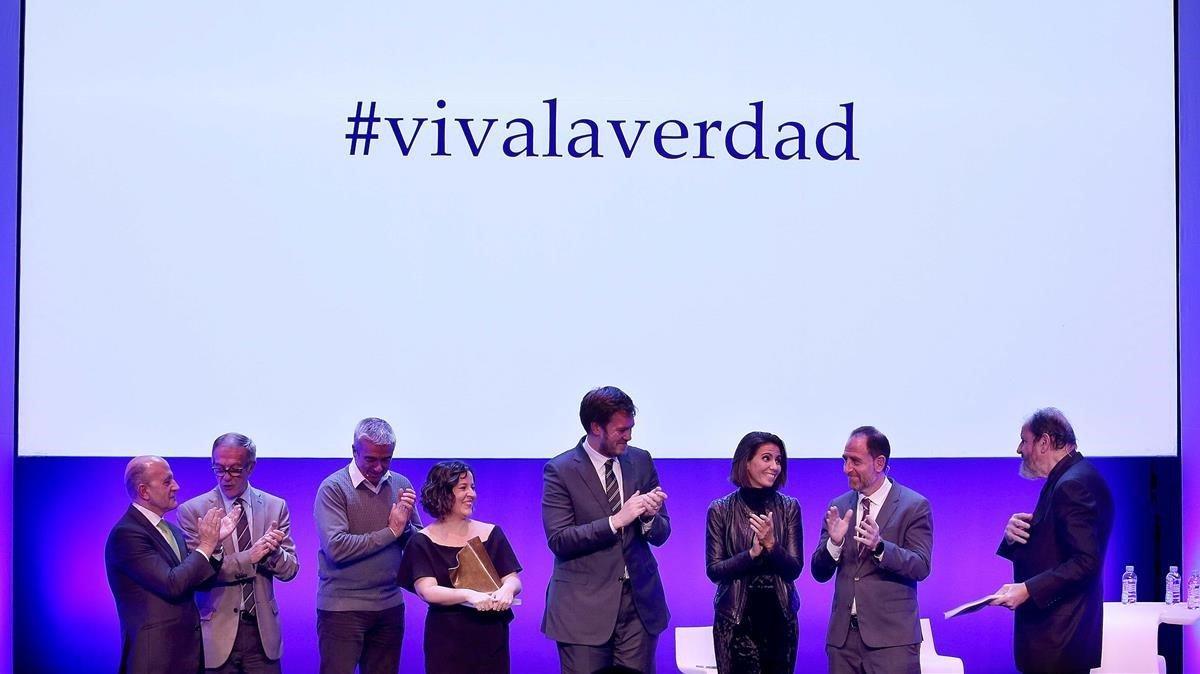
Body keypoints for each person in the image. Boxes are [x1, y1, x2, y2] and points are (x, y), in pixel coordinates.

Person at [541, 386, 671, 673]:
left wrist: (649, 518)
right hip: (583, 611)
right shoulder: (560, 470)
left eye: (631, 428)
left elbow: (662, 532)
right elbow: (560, 539)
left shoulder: (640, 460)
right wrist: (616, 521)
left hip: (639, 607)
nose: (629, 436)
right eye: (621, 430)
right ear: (596, 427)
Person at [992, 408, 1114, 674]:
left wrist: (1028, 589)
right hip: (1058, 637)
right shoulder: (1068, 478)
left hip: (1060, 637)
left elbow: (1085, 562)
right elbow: (1053, 548)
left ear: (1044, 442)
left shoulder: (1073, 484)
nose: (1018, 449)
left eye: (1024, 440)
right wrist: (1013, 537)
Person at [810, 426, 933, 674]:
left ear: (879, 463)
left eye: (855, 461)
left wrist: (880, 547)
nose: (846, 469)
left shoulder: (914, 506)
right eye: (845, 460)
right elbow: (819, 572)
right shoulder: (839, 506)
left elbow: (921, 565)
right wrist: (834, 544)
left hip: (892, 643)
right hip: (843, 643)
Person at [178, 433, 299, 673]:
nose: (225, 477)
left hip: (262, 634)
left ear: (251, 467)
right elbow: (198, 574)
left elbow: (291, 570)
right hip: (215, 634)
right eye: (219, 469)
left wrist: (271, 554)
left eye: (234, 470)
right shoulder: (194, 511)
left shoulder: (276, 507)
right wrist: (249, 557)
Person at [105, 455, 237, 673]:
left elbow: (195, 581)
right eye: (167, 482)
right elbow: (172, 584)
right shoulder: (127, 534)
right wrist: (205, 544)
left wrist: (215, 547)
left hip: (185, 657)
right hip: (155, 660)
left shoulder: (172, 530)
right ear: (144, 491)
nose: (176, 486)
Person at [314, 417, 422, 674]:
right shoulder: (333, 488)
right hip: (342, 609)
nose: (378, 467)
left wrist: (404, 527)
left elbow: (416, 542)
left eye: (386, 459)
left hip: (389, 606)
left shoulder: (401, 484)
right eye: (371, 459)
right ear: (354, 451)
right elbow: (337, 548)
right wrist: (391, 531)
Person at [398, 461, 523, 673]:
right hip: (447, 638)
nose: (471, 494)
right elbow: (426, 590)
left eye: (472, 487)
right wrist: (470, 595)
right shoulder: (422, 541)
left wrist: (507, 590)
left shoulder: (492, 533)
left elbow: (512, 579)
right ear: (442, 493)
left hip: (491, 636)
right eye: (463, 488)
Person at [705, 431, 803, 674]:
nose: (774, 466)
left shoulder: (790, 507)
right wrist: (751, 554)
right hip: (735, 620)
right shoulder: (720, 509)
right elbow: (714, 570)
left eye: (778, 460)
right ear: (746, 462)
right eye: (767, 458)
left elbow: (794, 569)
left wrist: (772, 546)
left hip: (780, 619)